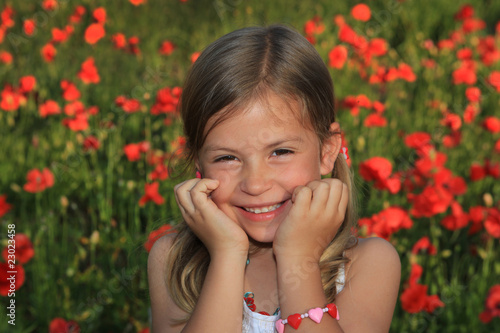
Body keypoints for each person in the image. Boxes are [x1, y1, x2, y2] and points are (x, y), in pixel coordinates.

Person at [148, 24, 401, 333]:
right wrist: (227, 254)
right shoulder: (174, 261)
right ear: (198, 163)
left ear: (327, 150)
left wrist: (298, 258)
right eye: (227, 158)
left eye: (280, 152)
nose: (255, 184)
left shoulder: (367, 264)